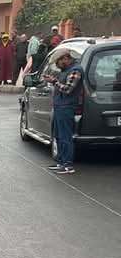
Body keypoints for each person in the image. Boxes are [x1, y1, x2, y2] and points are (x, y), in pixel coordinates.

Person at [44, 47, 83, 175]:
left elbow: (68, 89)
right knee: (59, 136)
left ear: (65, 58)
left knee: (66, 136)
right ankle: (60, 161)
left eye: (58, 62)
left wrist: (54, 81)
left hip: (67, 107)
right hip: (60, 106)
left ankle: (67, 164)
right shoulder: (65, 70)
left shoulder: (75, 70)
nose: (57, 65)